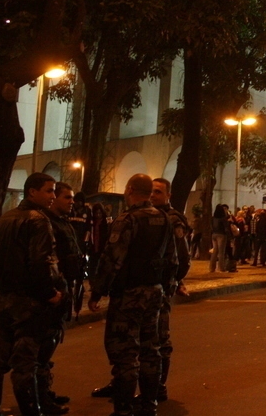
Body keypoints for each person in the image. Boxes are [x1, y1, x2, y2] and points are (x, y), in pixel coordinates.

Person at [87, 174, 176, 416]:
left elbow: (111, 259)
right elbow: (172, 260)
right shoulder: (165, 219)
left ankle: (123, 409)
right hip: (155, 293)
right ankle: (149, 405)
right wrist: (166, 288)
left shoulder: (128, 220)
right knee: (151, 350)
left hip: (129, 294)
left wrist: (97, 292)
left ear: (129, 190)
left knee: (125, 352)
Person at [0, 173, 67, 416]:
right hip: (29, 304)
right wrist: (50, 293)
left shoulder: (3, 220)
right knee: (25, 362)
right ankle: (32, 411)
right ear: (32, 192)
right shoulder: (38, 221)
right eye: (48, 191)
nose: (52, 196)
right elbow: (42, 262)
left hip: (4, 301)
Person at [38, 182, 83, 414]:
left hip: (65, 289)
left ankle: (44, 391)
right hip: (53, 293)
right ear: (54, 198)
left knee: (51, 343)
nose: (71, 201)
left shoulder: (63, 222)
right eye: (67, 197)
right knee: (43, 347)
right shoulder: (45, 223)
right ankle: (40, 397)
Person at [150, 178, 191, 402]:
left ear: (168, 194)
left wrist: (175, 280)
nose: (152, 196)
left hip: (161, 287)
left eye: (157, 192)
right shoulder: (146, 216)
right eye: (150, 191)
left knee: (160, 339)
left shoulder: (172, 218)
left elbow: (182, 257)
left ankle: (159, 386)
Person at [209, 204, 229, 273]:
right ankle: (221, 267)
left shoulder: (213, 218)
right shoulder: (223, 218)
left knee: (215, 251)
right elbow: (226, 228)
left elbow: (211, 227)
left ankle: (212, 268)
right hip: (221, 234)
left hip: (214, 234)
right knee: (221, 252)